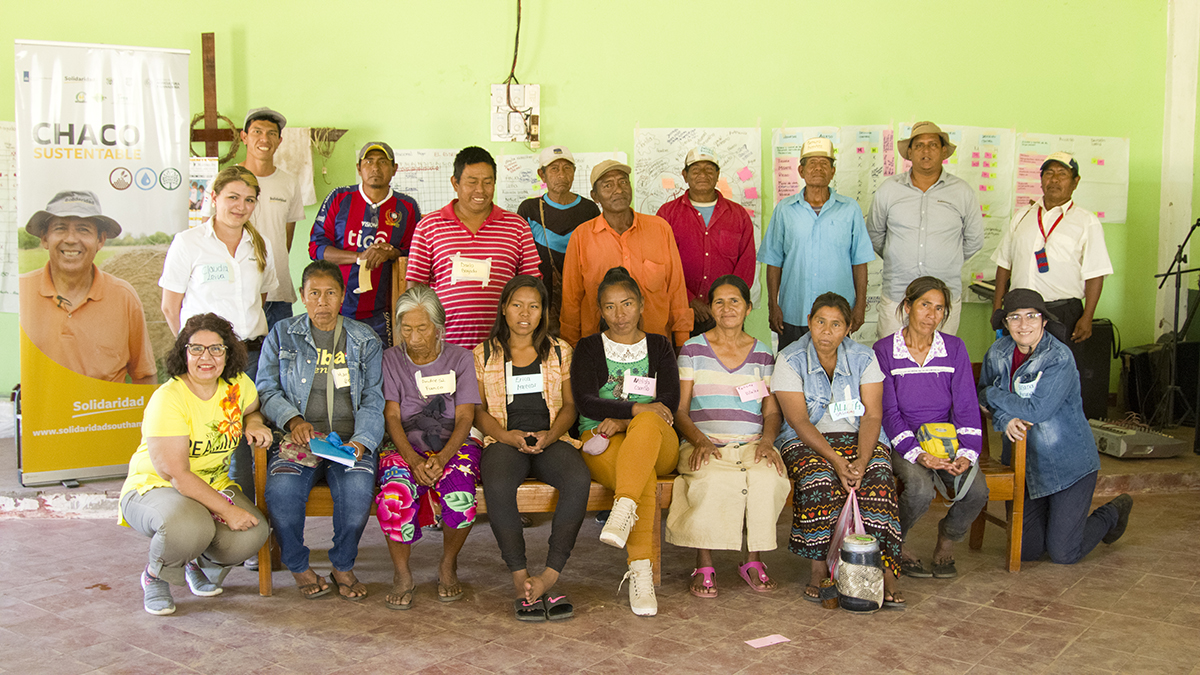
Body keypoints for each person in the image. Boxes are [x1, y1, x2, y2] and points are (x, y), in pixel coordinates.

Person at [117, 313, 272, 615]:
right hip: (156, 487)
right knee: (191, 525)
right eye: (197, 348)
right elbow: (177, 474)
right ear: (183, 352)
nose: (207, 357)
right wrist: (226, 510)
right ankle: (155, 576)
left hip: (213, 484)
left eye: (216, 349)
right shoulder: (169, 398)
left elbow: (252, 409)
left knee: (252, 534)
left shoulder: (237, 385)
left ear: (228, 353)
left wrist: (254, 423)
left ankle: (191, 562)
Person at [256, 261, 385, 600]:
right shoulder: (282, 334)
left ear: (342, 297)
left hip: (347, 442)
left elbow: (374, 398)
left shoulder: (363, 339)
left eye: (330, 294)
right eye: (314, 294)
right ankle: (298, 565)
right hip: (299, 440)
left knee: (358, 492)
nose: (322, 302)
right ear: (302, 296)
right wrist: (293, 420)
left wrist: (362, 442)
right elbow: (266, 389)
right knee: (281, 493)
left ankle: (343, 564)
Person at [979, 289, 1133, 564]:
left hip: (1067, 466)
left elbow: (1036, 410)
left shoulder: (1058, 358)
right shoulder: (997, 352)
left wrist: (993, 394)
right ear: (1006, 323)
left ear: (1044, 321)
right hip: (1024, 464)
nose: (1023, 325)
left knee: (1063, 553)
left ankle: (1112, 513)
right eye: (1014, 317)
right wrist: (1005, 419)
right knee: (1026, 551)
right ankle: (1058, 521)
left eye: (1031, 316)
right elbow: (979, 396)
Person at [772, 292, 904, 607]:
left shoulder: (863, 357)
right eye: (820, 322)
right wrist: (836, 461)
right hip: (806, 440)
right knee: (818, 479)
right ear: (809, 322)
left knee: (878, 480)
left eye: (835, 325)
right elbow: (799, 421)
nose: (826, 331)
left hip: (858, 437)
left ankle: (885, 571)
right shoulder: (790, 359)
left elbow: (872, 415)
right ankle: (819, 569)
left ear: (848, 329)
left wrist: (860, 459)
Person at [475, 275, 590, 621]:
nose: (525, 313)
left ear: (543, 313)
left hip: (551, 438)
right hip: (504, 440)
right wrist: (508, 436)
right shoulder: (484, 353)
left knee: (577, 479)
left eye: (534, 306)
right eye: (517, 305)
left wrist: (551, 434)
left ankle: (550, 574)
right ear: (504, 308)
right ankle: (521, 579)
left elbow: (570, 407)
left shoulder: (560, 350)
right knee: (496, 484)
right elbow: (478, 412)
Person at [666, 275, 789, 598]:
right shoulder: (692, 350)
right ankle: (703, 563)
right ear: (710, 308)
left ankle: (753, 561)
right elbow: (680, 410)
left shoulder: (762, 355)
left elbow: (771, 411)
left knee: (767, 479)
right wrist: (700, 441)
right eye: (719, 301)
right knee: (709, 480)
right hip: (704, 442)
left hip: (751, 444)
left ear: (748, 308)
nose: (727, 308)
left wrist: (767, 441)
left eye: (735, 301)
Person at [160, 165, 279, 499]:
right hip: (210, 359)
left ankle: (249, 517)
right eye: (232, 197)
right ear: (213, 198)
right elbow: (171, 307)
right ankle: (218, 518)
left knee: (250, 438)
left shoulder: (261, 244)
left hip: (253, 356)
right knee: (215, 439)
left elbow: (262, 296)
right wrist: (197, 353)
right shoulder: (189, 243)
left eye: (249, 200)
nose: (240, 206)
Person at [570, 267, 680, 616]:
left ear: (642, 304)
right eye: (609, 307)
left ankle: (623, 508)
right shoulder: (588, 348)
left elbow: (669, 401)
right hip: (599, 437)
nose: (619, 315)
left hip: (657, 438)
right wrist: (633, 407)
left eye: (627, 304)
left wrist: (625, 417)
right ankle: (640, 572)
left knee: (647, 421)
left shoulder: (660, 345)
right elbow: (586, 400)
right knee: (640, 474)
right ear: (600, 310)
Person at [872, 276, 988, 579]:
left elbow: (965, 404)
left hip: (946, 442)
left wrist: (966, 452)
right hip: (903, 442)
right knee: (920, 489)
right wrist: (918, 454)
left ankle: (946, 542)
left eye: (939, 309)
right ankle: (897, 544)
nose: (932, 315)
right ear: (908, 306)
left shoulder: (954, 348)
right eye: (925, 305)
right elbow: (888, 411)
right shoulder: (884, 350)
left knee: (977, 491)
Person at [375, 285, 482, 609]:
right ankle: (402, 573)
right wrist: (413, 459)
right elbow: (392, 416)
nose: (415, 336)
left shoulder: (461, 358)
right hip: (405, 442)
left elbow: (465, 416)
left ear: (439, 326)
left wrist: (443, 457)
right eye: (406, 328)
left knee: (460, 498)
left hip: (454, 442)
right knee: (395, 493)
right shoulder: (391, 359)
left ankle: (448, 563)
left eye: (422, 328)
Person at [406, 146, 542, 349]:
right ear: (455, 182)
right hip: (445, 346)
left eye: (487, 182)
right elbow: (415, 287)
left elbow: (532, 285)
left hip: (504, 345)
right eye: (472, 182)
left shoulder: (517, 226)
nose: (480, 190)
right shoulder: (429, 226)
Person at [20, 190, 155, 383]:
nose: (71, 239)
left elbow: (144, 375)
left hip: (102, 412)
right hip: (40, 413)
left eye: (83, 229)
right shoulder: (19, 292)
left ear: (100, 240)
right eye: (60, 228)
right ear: (44, 238)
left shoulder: (124, 297)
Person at [867, 121, 984, 337]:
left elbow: (974, 239)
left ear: (943, 151)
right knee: (890, 360)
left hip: (944, 297)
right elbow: (875, 234)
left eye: (932, 144)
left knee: (940, 361)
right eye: (919, 145)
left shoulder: (961, 191)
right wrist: (900, 255)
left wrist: (948, 258)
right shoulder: (889, 190)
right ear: (909, 152)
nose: (926, 150)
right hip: (898, 294)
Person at [561, 160, 692, 349]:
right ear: (595, 196)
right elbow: (571, 300)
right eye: (608, 185)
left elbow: (676, 290)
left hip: (654, 346)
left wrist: (681, 343)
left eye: (623, 182)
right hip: (599, 348)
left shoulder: (660, 229)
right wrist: (571, 349)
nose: (618, 190)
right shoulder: (582, 237)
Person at [762, 137, 875, 350]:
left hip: (838, 315)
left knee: (836, 372)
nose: (818, 168)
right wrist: (773, 305)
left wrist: (860, 305)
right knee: (792, 374)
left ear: (833, 172)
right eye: (811, 163)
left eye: (824, 163)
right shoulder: (785, 210)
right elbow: (774, 261)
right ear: (801, 170)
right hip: (794, 310)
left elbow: (859, 261)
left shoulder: (850, 209)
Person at [992, 151, 1112, 350]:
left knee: (1058, 375)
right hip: (1019, 311)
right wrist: (997, 308)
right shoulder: (1022, 216)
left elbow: (1095, 274)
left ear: (1075, 182)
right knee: (1017, 370)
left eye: (1062, 174)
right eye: (1049, 173)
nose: (1054, 179)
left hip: (1062, 313)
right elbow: (1004, 264)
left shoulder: (1086, 221)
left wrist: (1087, 317)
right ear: (1041, 180)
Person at [310, 141, 420, 344]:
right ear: (359, 168)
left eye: (382, 162)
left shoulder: (407, 207)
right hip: (338, 309)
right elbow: (316, 248)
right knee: (336, 371)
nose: (375, 168)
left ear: (394, 169)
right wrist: (359, 257)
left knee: (381, 371)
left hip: (383, 313)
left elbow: (414, 254)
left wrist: (392, 252)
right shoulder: (340, 198)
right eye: (368, 161)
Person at [655, 146, 756, 337]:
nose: (703, 174)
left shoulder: (738, 215)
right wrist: (689, 300)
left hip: (727, 315)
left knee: (728, 364)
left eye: (709, 170)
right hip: (681, 312)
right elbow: (661, 266)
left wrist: (722, 303)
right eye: (695, 170)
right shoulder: (666, 214)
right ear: (684, 175)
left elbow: (746, 265)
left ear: (718, 174)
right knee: (683, 365)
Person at [517, 145, 600, 336]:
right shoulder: (529, 209)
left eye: (567, 168)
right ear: (542, 175)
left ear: (574, 173)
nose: (561, 174)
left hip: (582, 300)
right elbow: (521, 259)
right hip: (540, 302)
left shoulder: (589, 210)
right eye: (554, 169)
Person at [239, 107, 307, 331]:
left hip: (278, 292)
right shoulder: (226, 180)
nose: (264, 139)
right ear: (244, 137)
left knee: (280, 363)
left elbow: (285, 239)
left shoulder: (289, 182)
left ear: (279, 141)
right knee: (242, 364)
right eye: (257, 132)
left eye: (271, 133)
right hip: (238, 292)